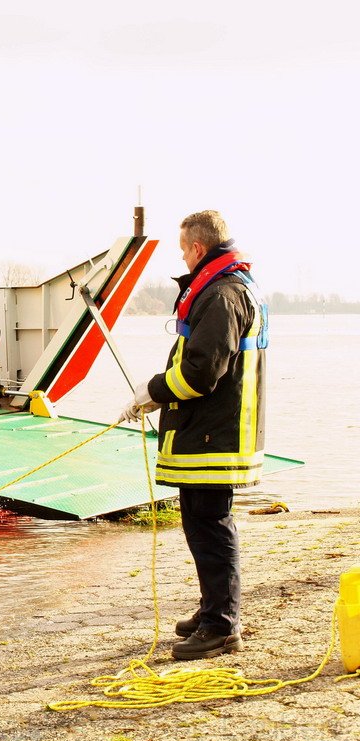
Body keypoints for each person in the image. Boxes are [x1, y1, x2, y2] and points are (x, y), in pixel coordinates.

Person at [121, 210, 267, 661]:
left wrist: (153, 391)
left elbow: (203, 373)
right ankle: (212, 611)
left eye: (183, 249)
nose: (182, 257)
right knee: (201, 523)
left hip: (214, 435)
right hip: (210, 431)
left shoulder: (222, 294)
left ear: (197, 249)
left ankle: (222, 626)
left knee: (210, 525)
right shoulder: (227, 287)